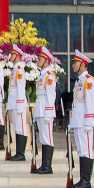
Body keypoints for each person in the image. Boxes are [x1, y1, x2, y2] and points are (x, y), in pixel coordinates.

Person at [69, 50, 94, 188]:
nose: (73, 65)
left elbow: (90, 103)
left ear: (83, 64)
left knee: (86, 150)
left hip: (84, 121)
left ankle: (86, 180)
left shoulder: (88, 80)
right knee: (80, 150)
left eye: (75, 63)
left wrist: (88, 121)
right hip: (78, 120)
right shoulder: (79, 81)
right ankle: (82, 180)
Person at [32, 46, 57, 174]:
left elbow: (51, 97)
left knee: (47, 137)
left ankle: (48, 166)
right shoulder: (42, 76)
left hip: (46, 111)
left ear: (46, 61)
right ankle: (44, 164)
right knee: (43, 137)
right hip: (41, 110)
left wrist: (48, 112)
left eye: (41, 59)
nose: (38, 60)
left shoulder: (49, 77)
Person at [6, 45, 29, 162]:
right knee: (16, 127)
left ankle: (21, 153)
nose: (10, 56)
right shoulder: (15, 69)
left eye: (12, 55)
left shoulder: (19, 69)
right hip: (14, 102)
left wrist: (20, 104)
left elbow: (21, 88)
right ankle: (18, 152)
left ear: (17, 56)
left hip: (18, 103)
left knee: (20, 128)